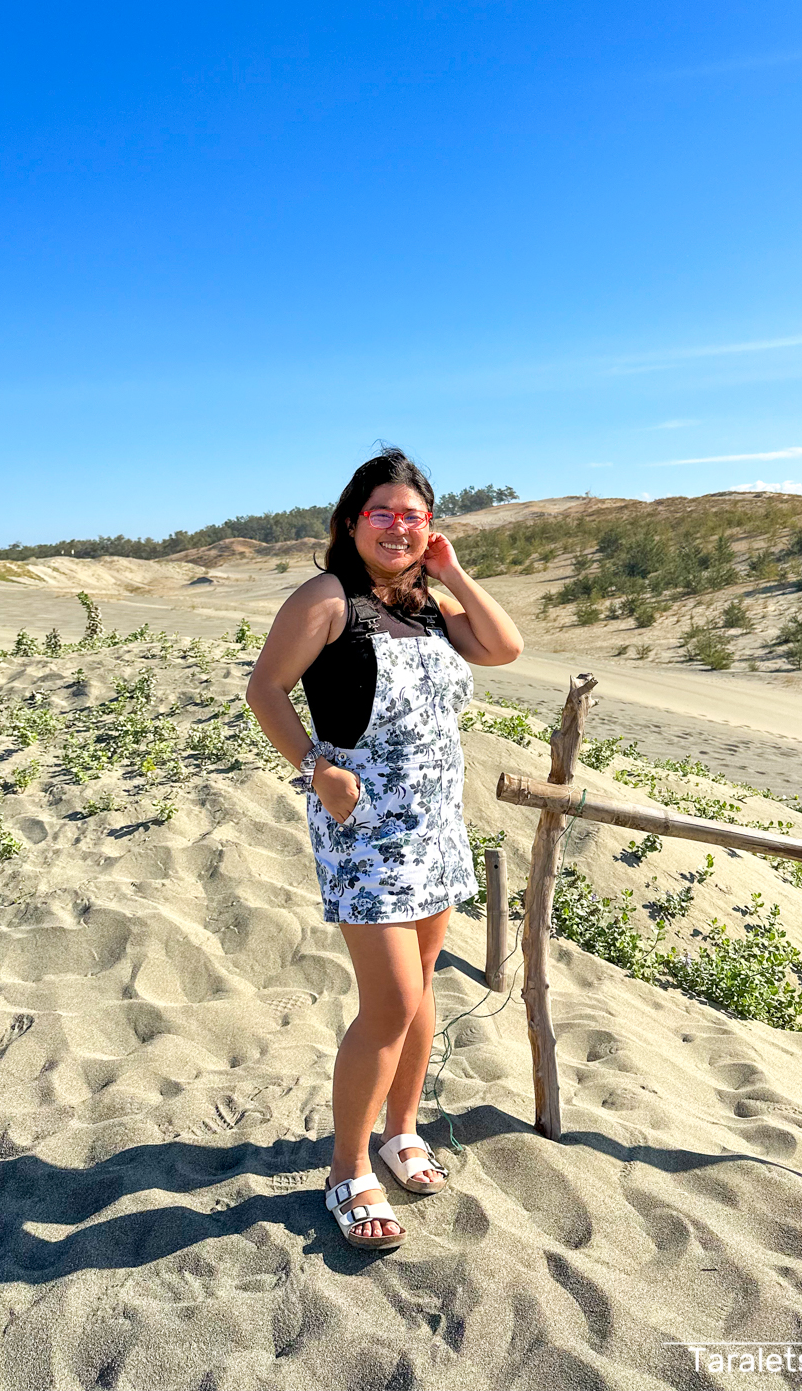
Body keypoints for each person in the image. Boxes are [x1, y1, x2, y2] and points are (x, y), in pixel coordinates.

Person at [246, 448, 523, 1251]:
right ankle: (346, 1168)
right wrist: (315, 767)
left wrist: (452, 570)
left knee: (423, 987)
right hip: (364, 829)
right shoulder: (326, 598)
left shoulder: (429, 603)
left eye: (413, 517)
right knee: (392, 1002)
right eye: (383, 514)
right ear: (350, 521)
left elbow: (503, 647)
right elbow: (265, 689)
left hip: (435, 826)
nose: (397, 528)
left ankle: (402, 1131)